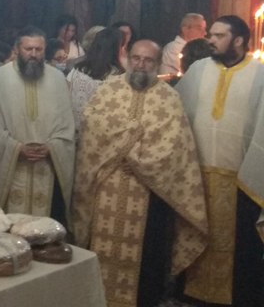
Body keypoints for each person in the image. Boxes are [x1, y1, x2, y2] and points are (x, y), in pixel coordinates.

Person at [72, 40, 208, 307]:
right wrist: (126, 146)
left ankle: (143, 300)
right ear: (127, 58)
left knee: (149, 252)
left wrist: (136, 160)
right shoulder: (109, 89)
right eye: (136, 58)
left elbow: (174, 144)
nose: (141, 65)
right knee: (100, 244)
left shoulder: (169, 98)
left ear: (157, 63)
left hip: (150, 189)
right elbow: (93, 125)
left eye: (148, 60)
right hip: (107, 182)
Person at [176, 16, 264, 306]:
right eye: (210, 34)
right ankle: (191, 295)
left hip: (241, 180)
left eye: (218, 35)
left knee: (240, 246)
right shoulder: (198, 70)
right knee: (193, 234)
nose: (210, 40)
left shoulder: (260, 75)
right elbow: (177, 115)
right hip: (197, 176)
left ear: (238, 40)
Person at [0, 26, 75, 225]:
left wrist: (52, 147)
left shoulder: (57, 79)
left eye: (39, 49)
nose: (33, 54)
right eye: (28, 49)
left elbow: (67, 125)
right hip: (11, 169)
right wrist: (16, 148)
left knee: (44, 229)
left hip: (47, 167)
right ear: (17, 49)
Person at [66, 27, 124, 143]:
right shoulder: (118, 77)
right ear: (118, 50)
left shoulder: (76, 71)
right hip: (102, 140)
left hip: (73, 135)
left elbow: (65, 98)